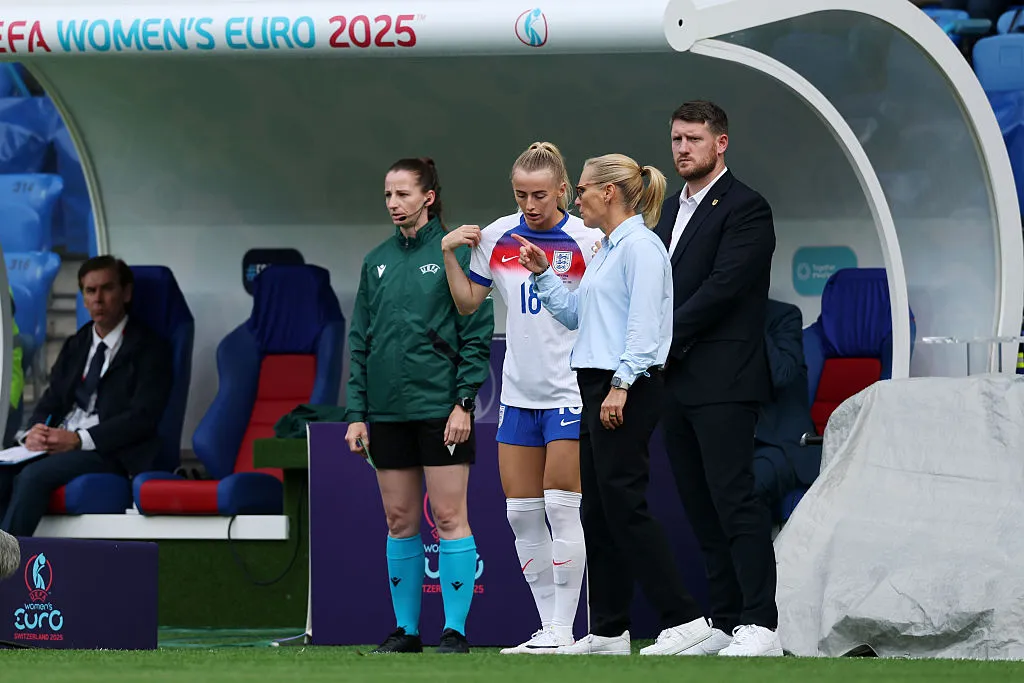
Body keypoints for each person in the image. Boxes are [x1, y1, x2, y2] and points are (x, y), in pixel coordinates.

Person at [515, 153, 714, 656]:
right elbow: (576, 313)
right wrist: (542, 275)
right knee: (598, 512)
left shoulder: (642, 248)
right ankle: (608, 629)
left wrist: (621, 386)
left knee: (625, 505)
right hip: (597, 384)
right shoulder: (605, 249)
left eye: (580, 189)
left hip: (627, 384)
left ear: (608, 192)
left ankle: (686, 619)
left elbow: (646, 328)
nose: (573, 197)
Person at [441, 142, 602, 654]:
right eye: (520, 195)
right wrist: (448, 253)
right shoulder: (495, 236)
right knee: (521, 514)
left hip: (568, 391)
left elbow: (594, 312)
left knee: (562, 507)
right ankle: (546, 627)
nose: (529, 204)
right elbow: (468, 304)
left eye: (538, 195)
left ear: (562, 191)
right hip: (518, 394)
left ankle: (564, 628)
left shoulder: (588, 237)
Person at [344, 157, 495, 655]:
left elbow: (475, 334)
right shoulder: (376, 261)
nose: (393, 203)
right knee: (398, 520)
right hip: (387, 413)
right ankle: (405, 631)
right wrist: (356, 412)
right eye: (388, 194)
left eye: (403, 194)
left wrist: (464, 403)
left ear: (428, 197)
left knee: (450, 516)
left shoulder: (455, 251)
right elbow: (360, 340)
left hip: (441, 409)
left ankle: (454, 630)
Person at [653, 100, 782, 657]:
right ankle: (726, 621)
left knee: (735, 499)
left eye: (694, 139)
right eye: (677, 139)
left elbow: (724, 288)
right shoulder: (667, 213)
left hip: (724, 378)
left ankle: (761, 623)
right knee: (699, 504)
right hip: (675, 381)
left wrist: (657, 337)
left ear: (720, 143)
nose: (683, 148)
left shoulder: (747, 207)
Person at [3, 256, 172, 536]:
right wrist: (35, 431)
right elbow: (52, 399)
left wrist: (80, 440)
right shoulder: (77, 343)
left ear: (126, 293)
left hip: (109, 450)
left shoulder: (151, 349)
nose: (99, 299)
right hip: (61, 442)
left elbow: (142, 418)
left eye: (107, 289)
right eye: (90, 291)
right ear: (83, 298)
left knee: (32, 477)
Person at [753, 299, 820, 520]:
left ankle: (757, 555)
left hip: (783, 445)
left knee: (743, 490)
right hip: (736, 443)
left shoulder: (784, 316)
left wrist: (746, 318)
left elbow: (781, 374)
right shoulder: (713, 321)